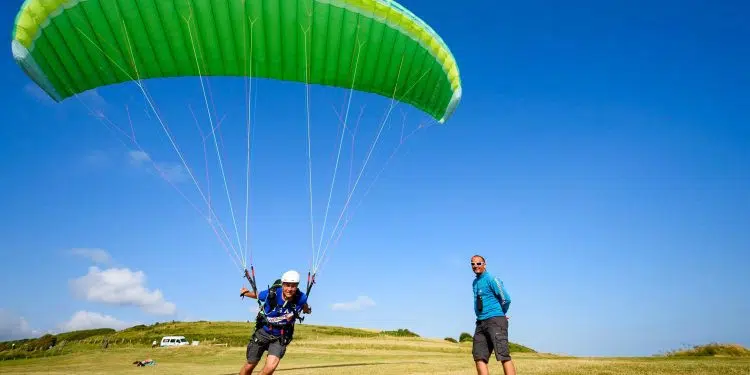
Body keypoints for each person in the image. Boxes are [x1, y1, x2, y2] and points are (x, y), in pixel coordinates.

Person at [238, 269, 312, 375]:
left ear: (297, 286)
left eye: (293, 286)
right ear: (282, 285)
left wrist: (307, 310)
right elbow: (258, 295)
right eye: (287, 285)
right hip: (263, 332)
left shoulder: (301, 298)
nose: (289, 289)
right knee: (250, 364)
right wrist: (245, 293)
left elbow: (304, 305)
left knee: (270, 368)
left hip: (280, 336)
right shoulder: (272, 293)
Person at [470, 254, 516, 375]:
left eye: (478, 263)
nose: (475, 266)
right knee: (478, 357)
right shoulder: (475, 282)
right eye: (473, 264)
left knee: (503, 355)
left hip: (495, 320)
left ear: (484, 264)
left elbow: (506, 299)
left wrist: (501, 313)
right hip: (480, 323)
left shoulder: (492, 279)